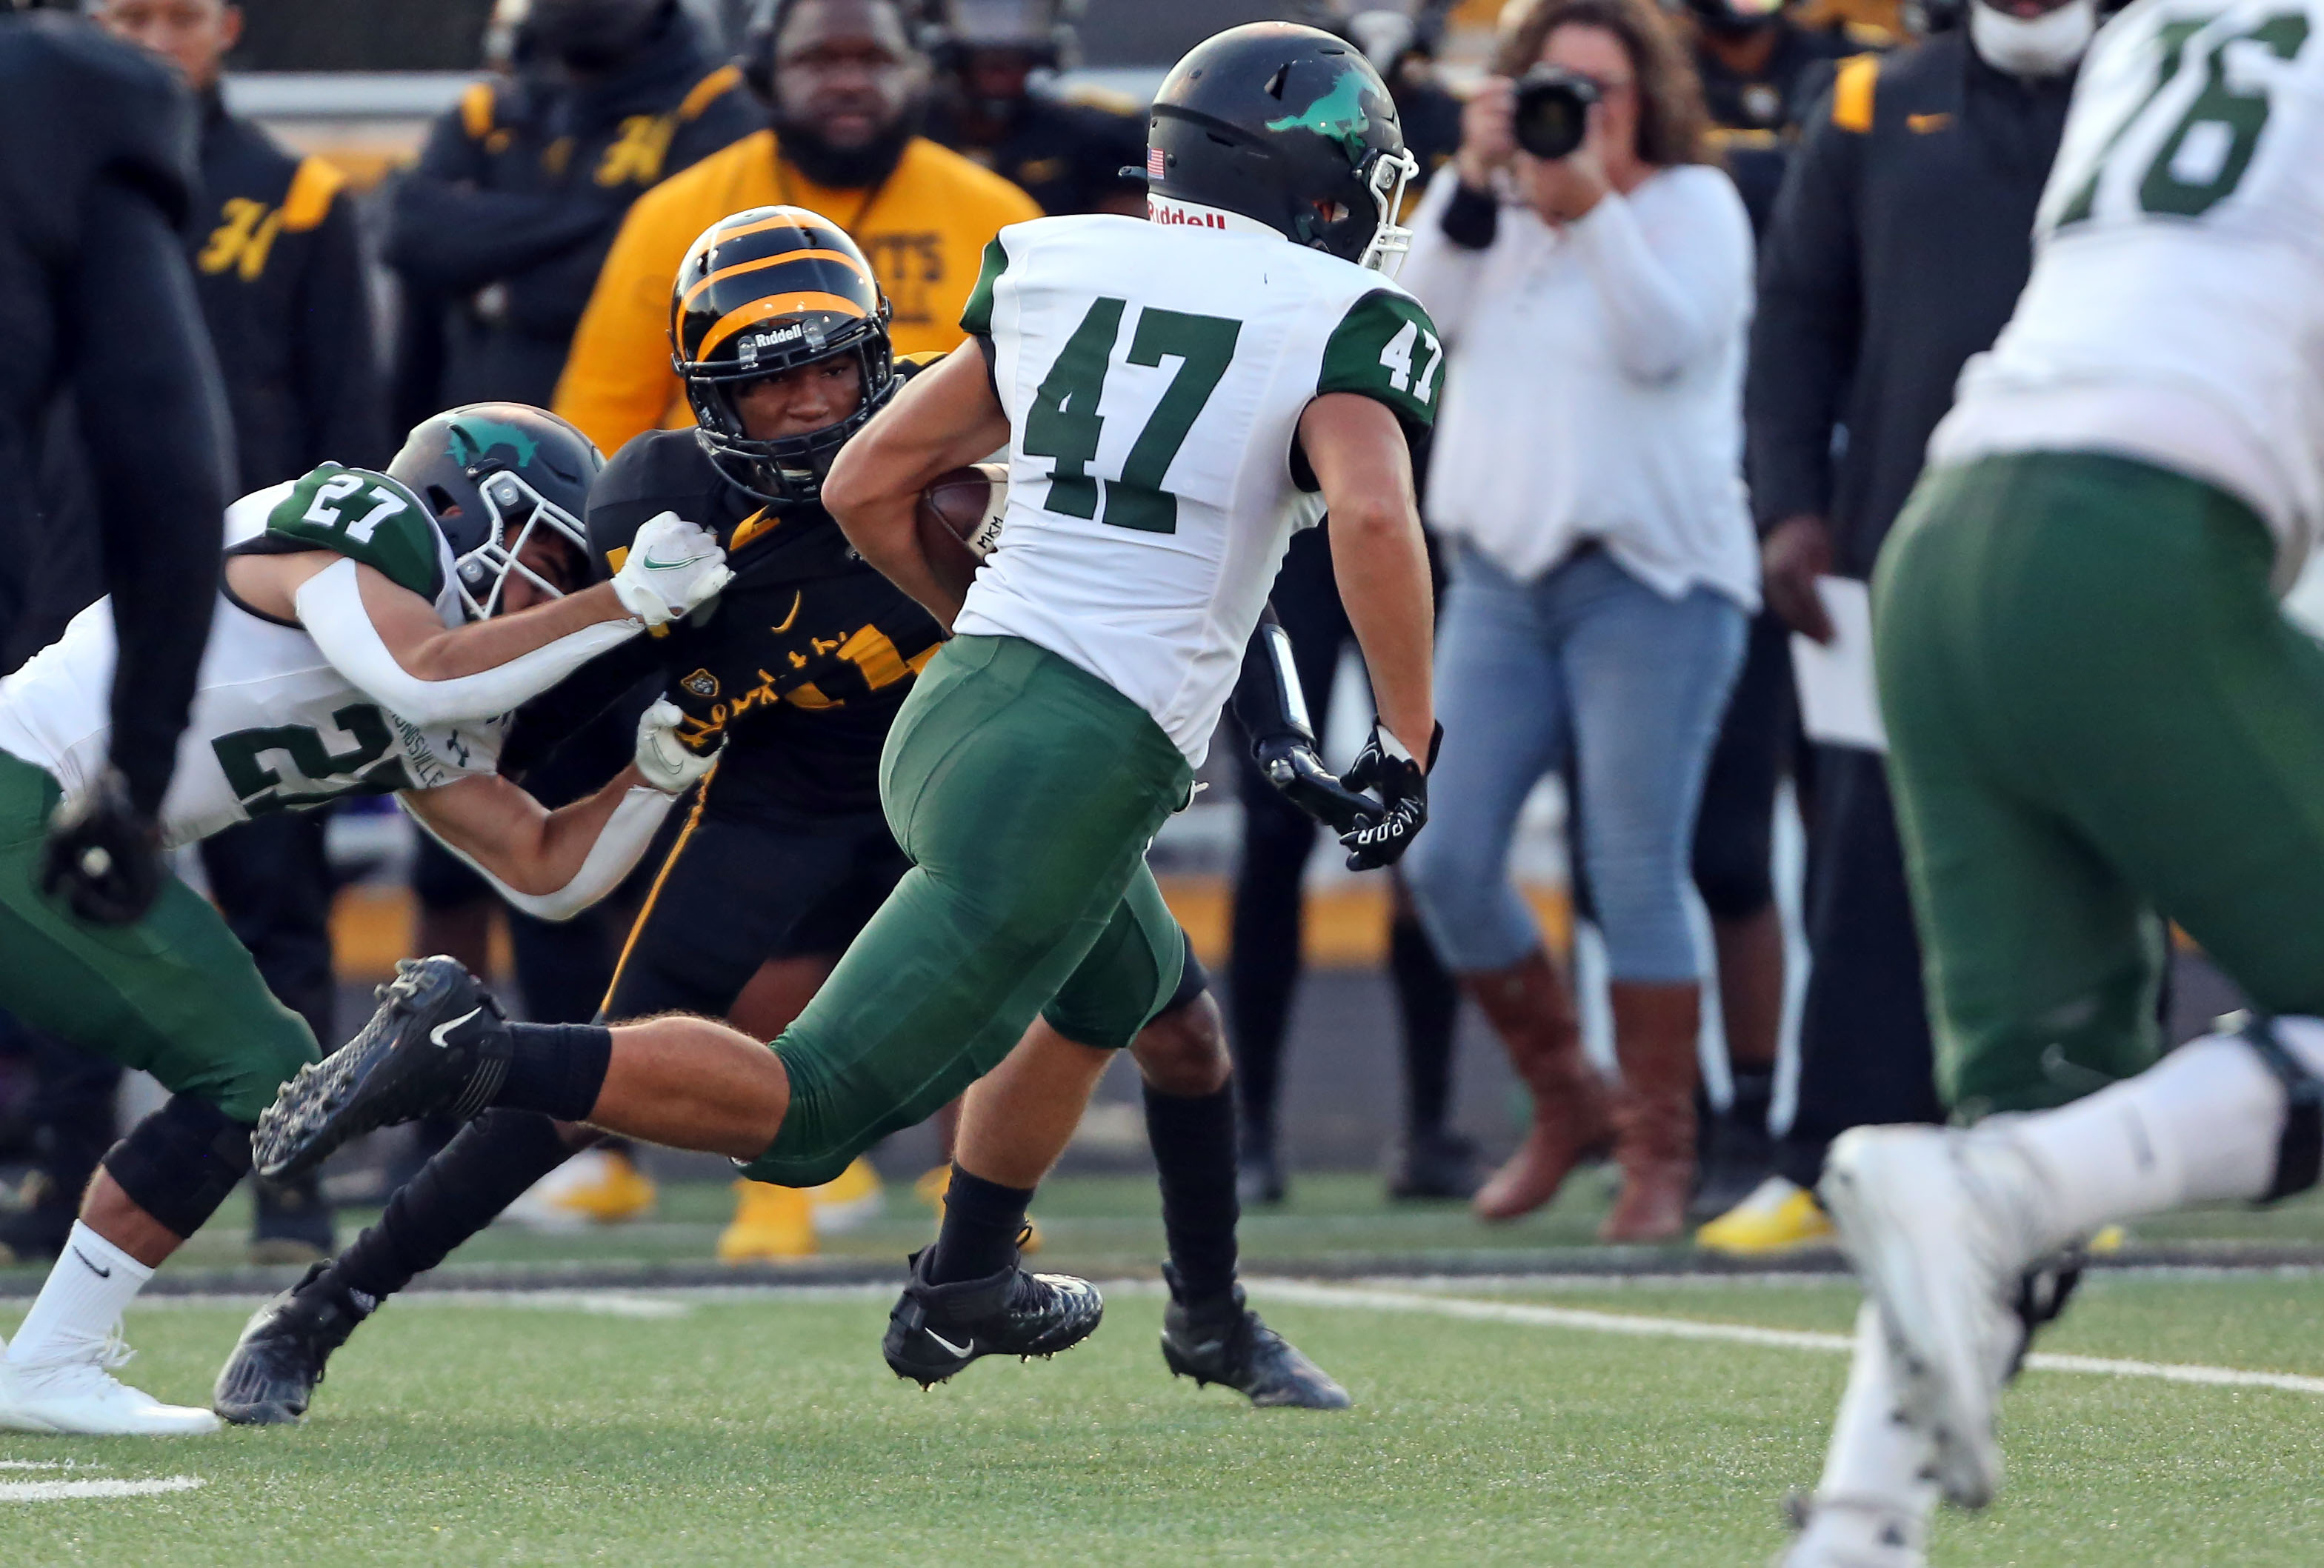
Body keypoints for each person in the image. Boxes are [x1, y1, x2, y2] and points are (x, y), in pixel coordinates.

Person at [255, 19, 1438, 1390]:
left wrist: (1032, 637)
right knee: (750, 1100)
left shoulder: (1023, 330)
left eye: (832, 368)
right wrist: (1403, 740)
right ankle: (380, 1212)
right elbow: (1337, 513)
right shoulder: (664, 517)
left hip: (961, 725)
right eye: (769, 381)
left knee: (1163, 1011)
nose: (810, 404)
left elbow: (1044, 521)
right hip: (866, 777)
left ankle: (1112, 1300)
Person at [1778, 0, 2324, 1560]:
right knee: (2013, 1171)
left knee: (2033, 1112)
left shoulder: (2162, 32)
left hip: (1945, 540)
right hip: (2125, 542)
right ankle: (2002, 1182)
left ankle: (1853, 1528)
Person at [0, 403, 732, 1435]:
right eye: (551, 558)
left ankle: (50, 1359)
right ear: (464, 504)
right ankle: (51, 1360)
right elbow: (418, 677)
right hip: (25, 795)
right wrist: (622, 601)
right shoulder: (366, 526)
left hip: (76, 837)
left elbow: (542, 871)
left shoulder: (455, 675)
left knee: (255, 1066)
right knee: (254, 1062)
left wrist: (659, 771)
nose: (552, 592)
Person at [1698, 0, 2084, 1258]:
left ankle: (2068, 1155)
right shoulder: (1869, 98)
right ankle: (1830, 1153)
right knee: (1864, 842)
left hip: (2096, 525)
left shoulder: (2156, 82)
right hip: (1890, 535)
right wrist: (1789, 507)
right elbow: (1797, 314)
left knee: (2088, 836)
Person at [1396, 0, 1756, 1242]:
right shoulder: (1485, 209)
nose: (1578, 113)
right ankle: (1570, 1098)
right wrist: (1472, 173)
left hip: (1651, 577)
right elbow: (1400, 331)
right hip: (1500, 575)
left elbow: (1666, 344)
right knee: (1441, 852)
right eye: (1552, 88)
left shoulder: (1693, 204)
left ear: (1647, 93)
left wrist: (1590, 203)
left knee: (1629, 865)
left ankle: (1662, 1152)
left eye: (1600, 90)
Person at [82, 0, 390, 1267]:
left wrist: (347, 585)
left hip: (254, 597)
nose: (156, 38)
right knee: (59, 872)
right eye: (127, 13)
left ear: (231, 26)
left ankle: (292, 1171)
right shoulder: (39, 168)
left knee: (277, 887)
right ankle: (58, 1165)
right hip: (75, 566)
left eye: (181, 14)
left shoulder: (295, 191)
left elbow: (348, 408)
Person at [1225, 0, 1474, 1210]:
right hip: (1286, 503)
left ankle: (1428, 1118)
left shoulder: (1450, 116)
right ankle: (1250, 1121)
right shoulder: (1269, 82)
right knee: (1280, 821)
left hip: (1406, 490)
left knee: (1413, 804)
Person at [553, 0, 1042, 456]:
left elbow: (1050, 402)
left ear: (918, 73)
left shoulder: (1003, 217)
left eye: (876, 60)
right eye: (817, 60)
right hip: (729, 520)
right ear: (766, 77)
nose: (849, 83)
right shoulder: (673, 214)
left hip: (945, 512)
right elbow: (604, 414)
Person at [921, 0, 1148, 216]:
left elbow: (1129, 238)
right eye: (983, 14)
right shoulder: (911, 132)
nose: (1000, 40)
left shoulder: (1096, 135)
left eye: (1018, 15)